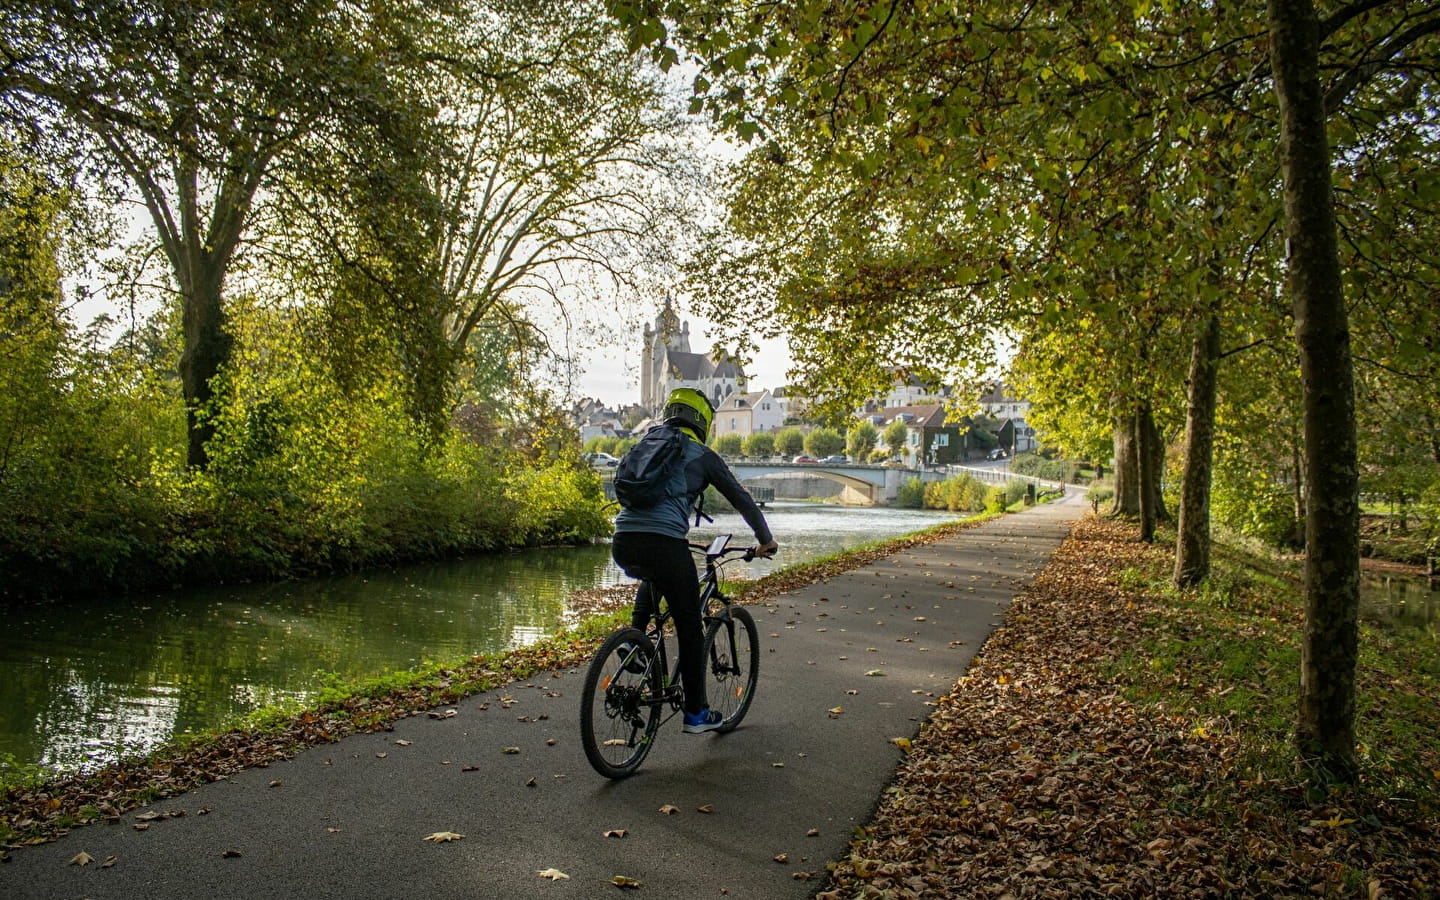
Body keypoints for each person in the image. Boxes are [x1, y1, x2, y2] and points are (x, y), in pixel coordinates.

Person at [611, 388, 778, 734]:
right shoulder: (702, 455)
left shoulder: (648, 442)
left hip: (623, 539)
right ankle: (696, 713)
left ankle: (634, 639)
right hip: (665, 544)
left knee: (653, 575)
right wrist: (766, 540)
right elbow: (742, 499)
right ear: (702, 421)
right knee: (690, 627)